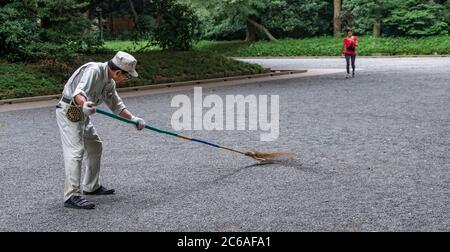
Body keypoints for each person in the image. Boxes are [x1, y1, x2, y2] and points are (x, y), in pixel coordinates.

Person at [55, 51, 146, 210]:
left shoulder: (110, 82)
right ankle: (72, 195)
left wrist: (133, 119)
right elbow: (79, 93)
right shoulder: (94, 70)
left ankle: (91, 186)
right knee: (75, 151)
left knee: (95, 146)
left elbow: (117, 106)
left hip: (82, 112)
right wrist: (83, 103)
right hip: (70, 110)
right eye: (127, 76)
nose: (126, 79)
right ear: (118, 72)